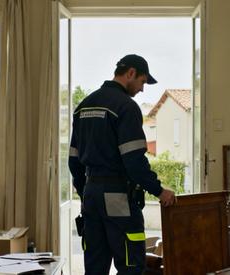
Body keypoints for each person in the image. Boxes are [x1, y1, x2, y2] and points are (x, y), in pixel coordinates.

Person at [68, 54, 178, 275]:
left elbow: (74, 161)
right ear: (130, 74)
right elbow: (134, 161)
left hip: (90, 195)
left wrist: (85, 192)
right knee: (130, 264)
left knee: (95, 266)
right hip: (117, 196)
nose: (142, 89)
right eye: (142, 82)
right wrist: (159, 190)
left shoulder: (83, 106)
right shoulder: (126, 107)